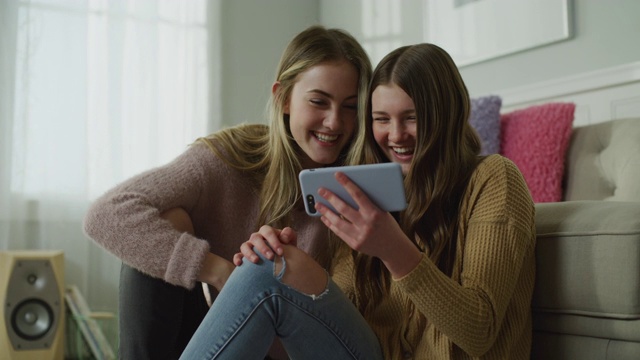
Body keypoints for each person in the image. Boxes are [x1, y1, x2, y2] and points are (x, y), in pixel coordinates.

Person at [179, 43, 536, 360]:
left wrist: (393, 249)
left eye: (412, 117)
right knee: (268, 264)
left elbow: (479, 331)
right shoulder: (370, 188)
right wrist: (287, 262)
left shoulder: (493, 179)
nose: (396, 135)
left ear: (448, 113)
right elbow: (341, 312)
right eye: (382, 119)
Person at [82, 25, 372, 360]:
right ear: (283, 98)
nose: (334, 122)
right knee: (168, 221)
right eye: (319, 102)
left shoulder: (360, 186)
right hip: (225, 340)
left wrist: (269, 281)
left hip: (293, 349)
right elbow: (107, 214)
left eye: (350, 107)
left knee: (268, 269)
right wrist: (220, 272)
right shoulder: (232, 158)